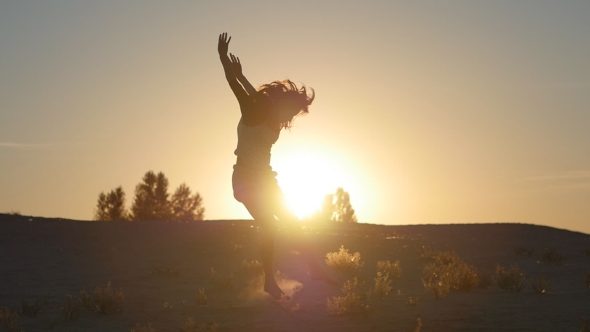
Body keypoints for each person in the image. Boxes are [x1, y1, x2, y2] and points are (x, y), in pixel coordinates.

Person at [218, 32, 337, 300]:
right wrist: (225, 62)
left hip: (266, 180)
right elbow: (238, 89)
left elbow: (257, 95)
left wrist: (241, 74)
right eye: (290, 111)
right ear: (280, 104)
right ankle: (269, 282)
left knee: (292, 221)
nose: (290, 118)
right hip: (245, 180)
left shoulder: (269, 114)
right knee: (270, 226)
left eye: (293, 115)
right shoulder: (252, 110)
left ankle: (316, 270)